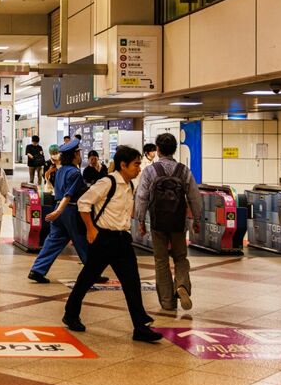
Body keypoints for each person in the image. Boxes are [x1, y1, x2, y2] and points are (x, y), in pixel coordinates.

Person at [63, 146, 162, 343]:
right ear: (123, 165)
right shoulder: (107, 182)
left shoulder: (129, 185)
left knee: (132, 283)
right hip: (104, 239)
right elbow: (83, 203)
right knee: (87, 279)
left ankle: (140, 326)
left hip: (122, 240)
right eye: (135, 164)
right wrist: (91, 229)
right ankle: (71, 314)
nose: (138, 168)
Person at [134, 133, 203, 312]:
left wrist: (140, 220)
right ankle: (181, 285)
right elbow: (195, 198)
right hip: (179, 223)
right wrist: (197, 219)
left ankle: (167, 302)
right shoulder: (184, 171)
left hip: (158, 223)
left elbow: (141, 197)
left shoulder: (150, 171)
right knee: (180, 258)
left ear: (157, 150)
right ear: (174, 149)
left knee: (161, 260)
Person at [28, 138, 109, 284]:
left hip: (58, 209)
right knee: (83, 240)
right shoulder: (75, 173)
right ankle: (93, 272)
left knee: (53, 240)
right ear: (74, 155)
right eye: (79, 153)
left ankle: (37, 270)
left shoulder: (60, 171)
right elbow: (68, 195)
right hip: (70, 210)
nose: (80, 155)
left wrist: (57, 211)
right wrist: (59, 211)